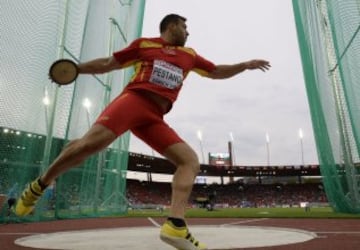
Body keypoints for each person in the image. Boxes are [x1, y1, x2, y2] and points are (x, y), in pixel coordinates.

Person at [15, 14, 270, 250]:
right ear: (171, 26)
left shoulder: (189, 55)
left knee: (190, 162)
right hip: (133, 101)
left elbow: (216, 72)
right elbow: (108, 63)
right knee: (87, 147)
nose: (188, 32)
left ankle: (176, 226)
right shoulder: (145, 45)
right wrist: (77, 69)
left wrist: (245, 65)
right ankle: (38, 186)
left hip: (154, 117)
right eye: (185, 26)